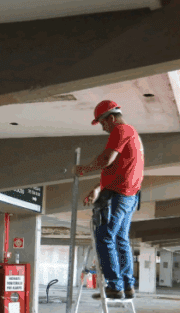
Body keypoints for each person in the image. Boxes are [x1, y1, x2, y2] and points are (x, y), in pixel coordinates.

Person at [74, 100, 144, 300]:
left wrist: (83, 169)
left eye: (103, 123)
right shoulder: (132, 134)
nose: (103, 128)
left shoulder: (121, 130)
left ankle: (114, 286)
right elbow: (120, 169)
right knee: (120, 239)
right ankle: (127, 286)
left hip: (118, 195)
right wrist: (98, 188)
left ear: (111, 118)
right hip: (128, 195)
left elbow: (107, 159)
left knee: (104, 236)